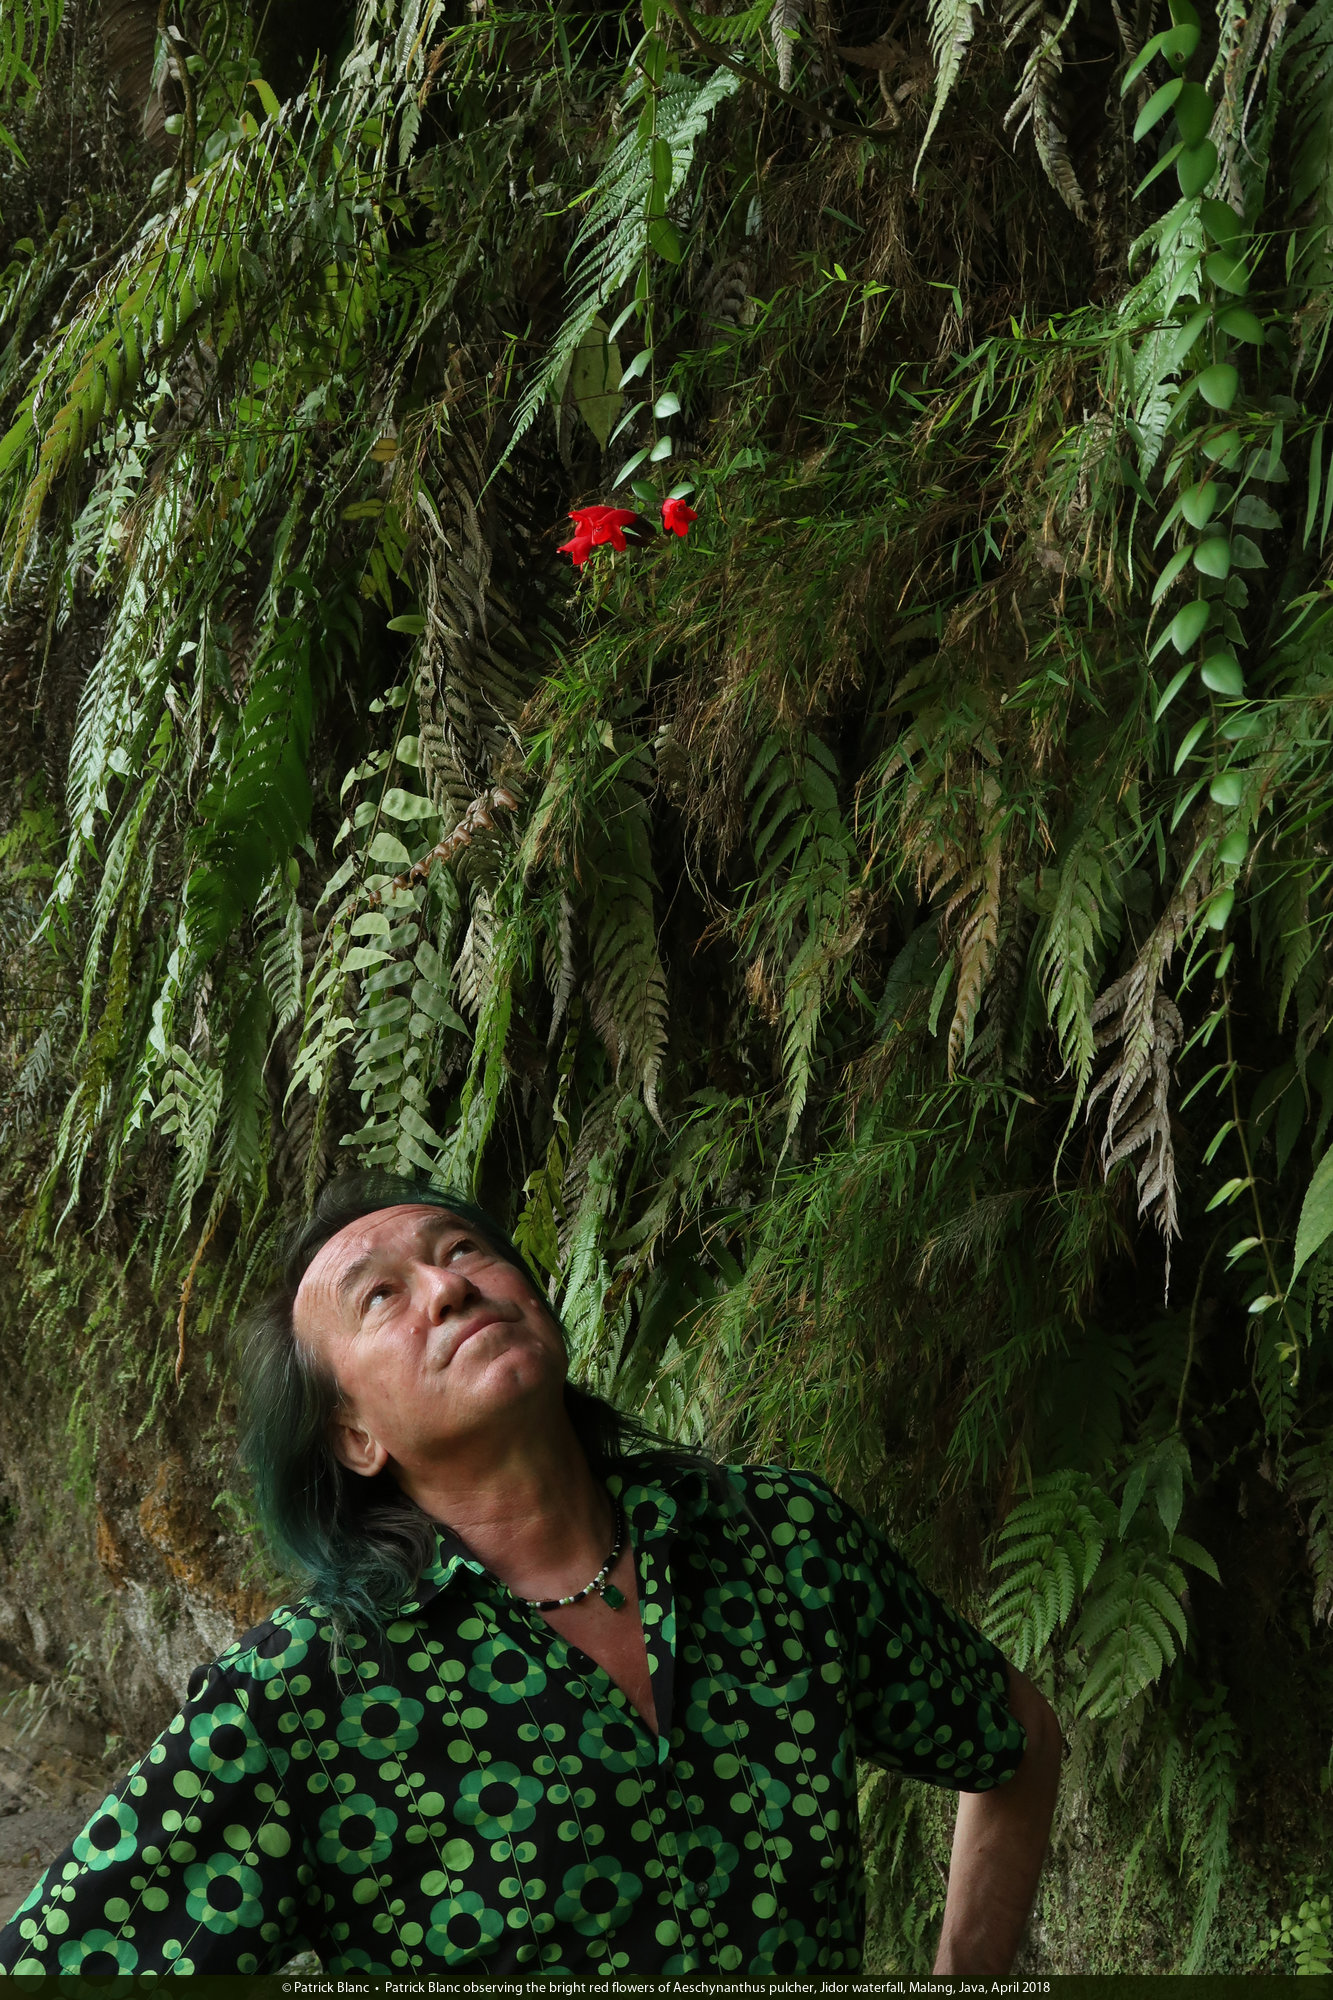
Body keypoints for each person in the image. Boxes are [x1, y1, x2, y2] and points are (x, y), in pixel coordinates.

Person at [0, 1171, 1061, 1977]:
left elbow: (1011, 1736)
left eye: (463, 1249)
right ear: (354, 1435)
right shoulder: (302, 1698)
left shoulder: (778, 1540)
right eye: (381, 1296)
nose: (449, 1285)